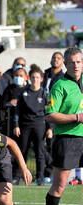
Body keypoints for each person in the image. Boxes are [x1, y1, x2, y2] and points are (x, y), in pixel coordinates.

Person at [43, 47, 83, 205]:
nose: (76, 65)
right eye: (72, 62)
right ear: (65, 64)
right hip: (67, 138)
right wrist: (76, 117)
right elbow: (50, 115)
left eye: (79, 61)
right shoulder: (60, 85)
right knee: (59, 185)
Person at [13, 64, 51, 186]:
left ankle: (40, 177)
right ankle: (17, 177)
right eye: (33, 77)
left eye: (37, 77)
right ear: (29, 78)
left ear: (41, 79)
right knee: (22, 151)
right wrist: (16, 125)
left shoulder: (44, 93)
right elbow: (17, 110)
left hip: (39, 124)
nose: (34, 79)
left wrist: (50, 128)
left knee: (39, 151)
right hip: (25, 125)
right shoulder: (24, 92)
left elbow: (49, 112)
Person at [43, 52, 65, 181]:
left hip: (54, 113)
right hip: (41, 112)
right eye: (54, 58)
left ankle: (49, 173)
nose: (55, 60)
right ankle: (41, 172)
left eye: (58, 58)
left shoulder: (63, 77)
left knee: (52, 145)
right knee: (39, 145)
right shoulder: (45, 74)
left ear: (62, 62)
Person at [0, 66, 28, 137]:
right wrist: (9, 103)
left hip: (26, 120)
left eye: (21, 76)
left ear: (26, 77)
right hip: (10, 120)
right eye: (16, 75)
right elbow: (2, 104)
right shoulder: (9, 89)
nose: (18, 77)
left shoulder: (28, 89)